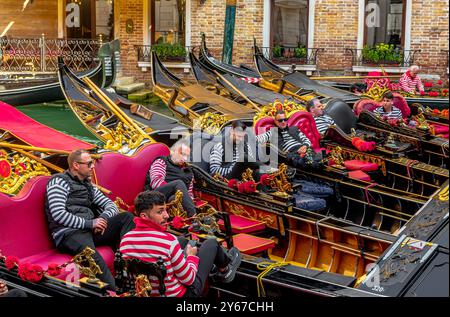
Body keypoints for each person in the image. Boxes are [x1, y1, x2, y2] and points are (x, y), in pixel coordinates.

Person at [119, 191, 242, 297]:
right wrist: (191, 257)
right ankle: (225, 270)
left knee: (182, 240)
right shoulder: (168, 241)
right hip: (179, 295)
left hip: (146, 293)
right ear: (144, 216)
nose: (167, 216)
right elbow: (189, 279)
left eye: (166, 210)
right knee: (211, 244)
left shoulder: (125, 240)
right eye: (160, 212)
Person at [45, 149, 135, 290]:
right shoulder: (58, 182)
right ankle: (114, 291)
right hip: (68, 233)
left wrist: (102, 219)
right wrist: (90, 223)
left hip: (89, 229)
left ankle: (127, 268)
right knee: (93, 257)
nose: (92, 166)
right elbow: (58, 214)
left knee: (127, 218)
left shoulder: (88, 185)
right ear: (76, 165)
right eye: (89, 164)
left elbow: (111, 205)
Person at [144, 138, 196, 217]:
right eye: (182, 154)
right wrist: (177, 190)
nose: (185, 159)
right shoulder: (161, 161)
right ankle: (193, 216)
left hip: (171, 199)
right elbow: (156, 182)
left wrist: (182, 197)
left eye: (187, 156)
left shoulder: (189, 172)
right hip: (154, 196)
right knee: (179, 183)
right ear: (174, 150)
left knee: (174, 198)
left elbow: (189, 193)